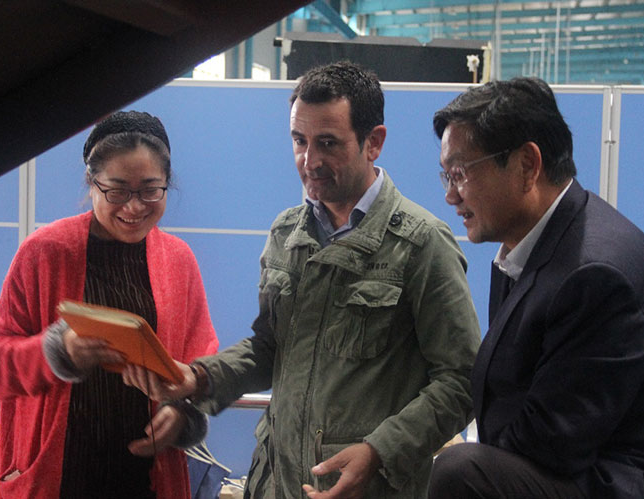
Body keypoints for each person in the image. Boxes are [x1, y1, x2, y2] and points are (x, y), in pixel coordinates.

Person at [124, 61, 481, 498]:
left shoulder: (421, 244)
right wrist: (199, 378)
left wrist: (379, 451)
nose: (309, 161)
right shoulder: (287, 233)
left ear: (374, 142)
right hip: (276, 482)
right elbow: (269, 348)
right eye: (299, 141)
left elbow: (462, 381)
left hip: (362, 489)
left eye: (328, 143)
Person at [428, 77, 644, 498]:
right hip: (591, 469)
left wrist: (461, 453)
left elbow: (551, 444)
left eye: (460, 174)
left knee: (460, 472)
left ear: (527, 165)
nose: (450, 196)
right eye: (446, 176)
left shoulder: (595, 274)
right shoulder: (530, 247)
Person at [0, 111, 219, 499]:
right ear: (92, 184)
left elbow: (201, 363)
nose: (134, 207)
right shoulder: (46, 252)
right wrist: (58, 351)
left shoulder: (178, 260)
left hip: (147, 481)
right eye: (117, 191)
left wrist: (182, 413)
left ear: (167, 185)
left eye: (150, 190)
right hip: (55, 481)